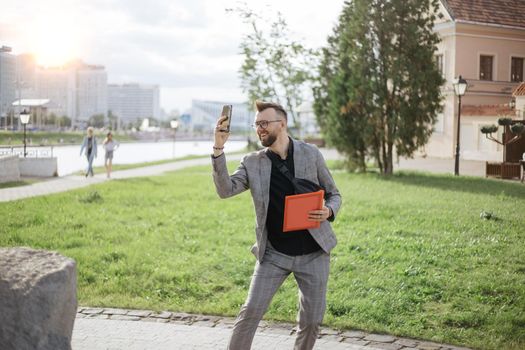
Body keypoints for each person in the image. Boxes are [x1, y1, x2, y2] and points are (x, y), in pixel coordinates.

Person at [211, 100, 341, 350]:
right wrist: (218, 147)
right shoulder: (253, 162)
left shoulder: (310, 154)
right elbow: (225, 190)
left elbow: (335, 194)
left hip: (314, 253)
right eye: (256, 124)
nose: (259, 128)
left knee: (311, 322)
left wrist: (329, 210)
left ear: (282, 124)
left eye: (264, 123)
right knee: (249, 313)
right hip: (273, 254)